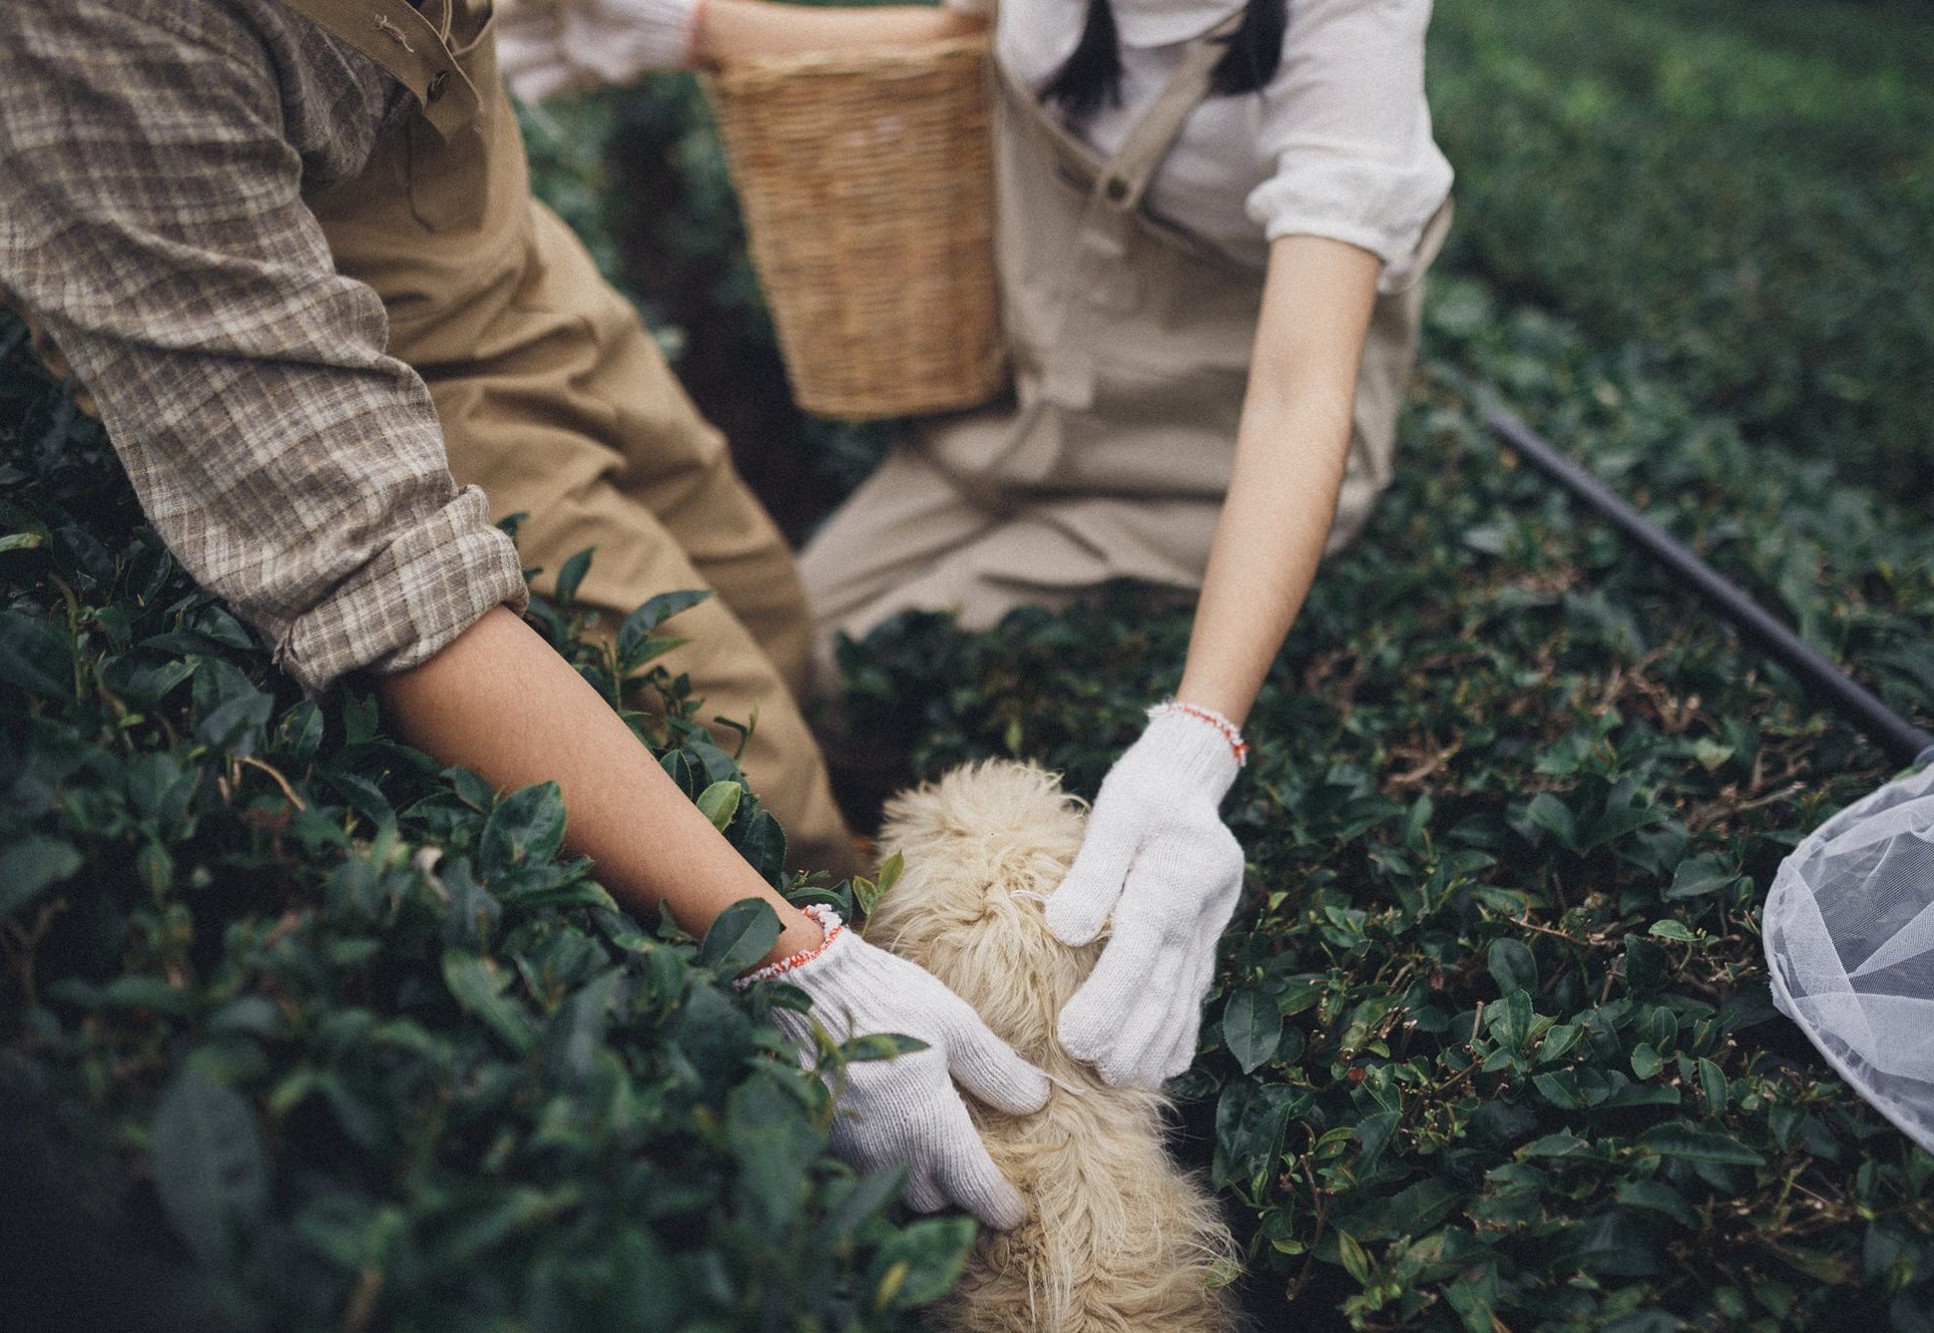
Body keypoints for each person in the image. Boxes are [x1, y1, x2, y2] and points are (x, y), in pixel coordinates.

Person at [0, 0, 1048, 1230]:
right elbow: (379, 564)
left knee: (771, 621)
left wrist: (733, 31)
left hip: (531, 280)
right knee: (752, 782)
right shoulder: (79, 34)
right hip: (376, 386)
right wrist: (792, 959)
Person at [499, 0, 1453, 1088]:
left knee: (848, 674)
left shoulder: (1350, 21)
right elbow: (960, 32)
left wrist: (1196, 743)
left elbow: (1297, 396)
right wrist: (696, 30)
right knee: (776, 644)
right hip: (1009, 422)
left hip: (1190, 466)